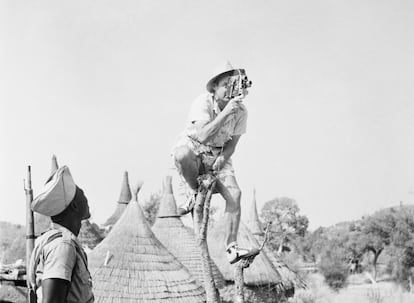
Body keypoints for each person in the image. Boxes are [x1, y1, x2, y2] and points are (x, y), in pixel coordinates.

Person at [172, 61, 258, 264]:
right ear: (214, 88)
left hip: (219, 154)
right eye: (226, 84)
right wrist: (227, 111)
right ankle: (194, 192)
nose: (230, 89)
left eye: (234, 84)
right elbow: (202, 136)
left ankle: (232, 247)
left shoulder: (241, 112)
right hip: (194, 149)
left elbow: (232, 145)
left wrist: (219, 161)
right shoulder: (202, 102)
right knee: (182, 155)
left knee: (235, 194)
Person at [28, 165, 94, 303]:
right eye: (80, 192)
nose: (85, 194)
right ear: (74, 205)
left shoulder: (60, 242)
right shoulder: (62, 246)